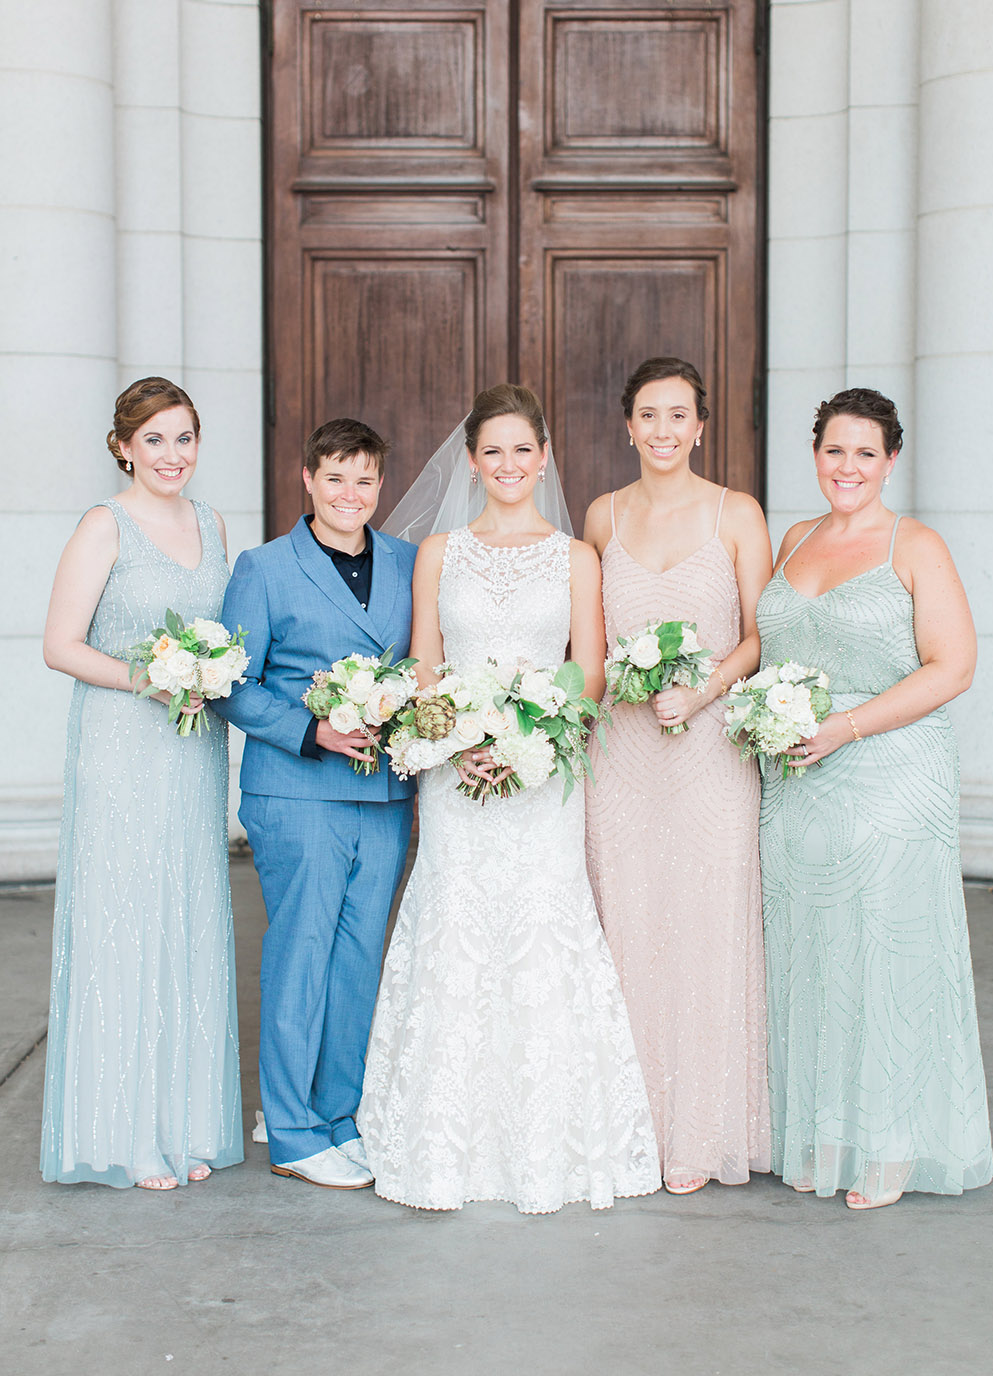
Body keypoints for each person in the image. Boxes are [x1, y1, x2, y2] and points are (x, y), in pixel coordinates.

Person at [358, 384, 661, 1213]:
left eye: (522, 449)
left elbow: (589, 672)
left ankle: (547, 1144)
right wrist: (456, 744)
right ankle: (442, 1142)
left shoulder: (574, 557)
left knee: (538, 934)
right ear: (470, 460)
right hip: (456, 782)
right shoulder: (439, 553)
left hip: (540, 780)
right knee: (456, 927)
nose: (507, 465)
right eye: (492, 450)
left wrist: (525, 746)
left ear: (545, 454)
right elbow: (425, 667)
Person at [757, 387, 993, 1209]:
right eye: (834, 450)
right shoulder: (793, 539)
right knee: (814, 953)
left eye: (865, 452)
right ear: (815, 455)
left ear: (890, 460)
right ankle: (826, 1131)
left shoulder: (915, 544)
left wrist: (845, 728)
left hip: (891, 770)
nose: (847, 466)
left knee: (886, 958)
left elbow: (953, 668)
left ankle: (893, 1146)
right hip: (796, 781)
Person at [40, 376, 243, 1189]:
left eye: (184, 437)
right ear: (124, 445)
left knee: (187, 920)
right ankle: (123, 1134)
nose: (171, 455)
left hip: (192, 754)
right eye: (154, 439)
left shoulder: (214, 523)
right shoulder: (104, 525)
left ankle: (185, 1124)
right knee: (126, 926)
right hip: (123, 749)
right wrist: (149, 680)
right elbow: (61, 645)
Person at [583, 358, 773, 1195]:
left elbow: (765, 635)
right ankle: (626, 1125)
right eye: (648, 416)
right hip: (619, 758)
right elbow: (581, 639)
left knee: (704, 928)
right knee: (623, 924)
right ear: (627, 426)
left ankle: (699, 1132)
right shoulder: (600, 517)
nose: (663, 431)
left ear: (702, 426)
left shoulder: (737, 513)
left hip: (708, 757)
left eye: (679, 415)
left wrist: (702, 690)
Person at [219, 419, 416, 1190]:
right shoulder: (264, 568)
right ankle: (293, 1131)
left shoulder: (405, 561)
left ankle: (339, 1118)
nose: (350, 494)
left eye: (364, 479)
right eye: (336, 477)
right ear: (307, 479)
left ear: (380, 486)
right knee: (300, 954)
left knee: (359, 958)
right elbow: (231, 682)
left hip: (385, 791)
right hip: (297, 789)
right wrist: (313, 730)